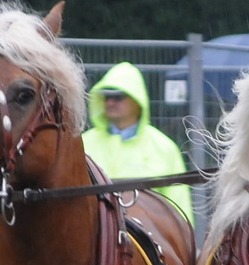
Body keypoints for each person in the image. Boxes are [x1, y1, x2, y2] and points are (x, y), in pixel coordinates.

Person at [81, 62, 194, 222]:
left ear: (137, 100)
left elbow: (180, 205)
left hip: (149, 239)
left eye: (118, 97)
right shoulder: (83, 144)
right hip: (93, 234)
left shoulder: (164, 148)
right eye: (106, 96)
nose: (110, 102)